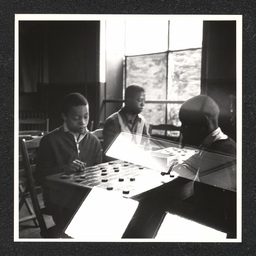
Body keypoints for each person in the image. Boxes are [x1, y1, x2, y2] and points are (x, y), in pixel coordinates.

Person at [35, 93, 102, 227]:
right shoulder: (50, 141)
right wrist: (65, 169)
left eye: (86, 116)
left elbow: (98, 172)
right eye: (76, 118)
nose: (82, 122)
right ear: (64, 116)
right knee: (83, 224)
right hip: (58, 199)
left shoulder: (94, 141)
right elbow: (39, 177)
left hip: (85, 195)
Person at [171, 95, 236, 191]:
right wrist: (179, 166)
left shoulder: (215, 153)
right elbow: (193, 162)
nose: (181, 130)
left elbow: (205, 198)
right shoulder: (218, 142)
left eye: (185, 125)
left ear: (203, 121)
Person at [103, 85, 149, 159]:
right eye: (139, 100)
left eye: (144, 100)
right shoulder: (113, 122)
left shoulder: (142, 121)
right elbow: (110, 154)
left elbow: (147, 146)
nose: (143, 104)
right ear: (127, 100)